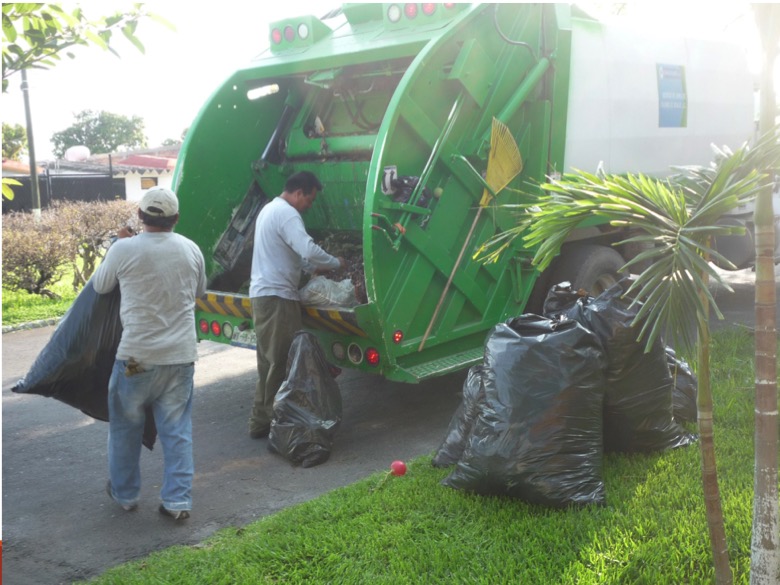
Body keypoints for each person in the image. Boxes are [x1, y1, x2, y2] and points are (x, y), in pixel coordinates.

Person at [93, 187, 206, 521]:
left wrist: (118, 245)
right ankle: (177, 502)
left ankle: (126, 495)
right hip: (180, 359)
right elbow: (200, 291)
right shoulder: (191, 249)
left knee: (125, 428)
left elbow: (101, 286)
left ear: (140, 216)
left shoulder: (124, 249)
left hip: (137, 361)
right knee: (177, 431)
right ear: (176, 218)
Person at [248, 171, 345, 439]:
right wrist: (336, 263)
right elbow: (308, 249)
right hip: (277, 298)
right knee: (282, 363)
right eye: (309, 200)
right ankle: (277, 425)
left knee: (268, 363)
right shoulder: (288, 213)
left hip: (263, 295)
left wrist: (312, 269)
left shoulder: (269, 210)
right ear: (299, 192)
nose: (309, 206)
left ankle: (260, 421)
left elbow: (290, 253)